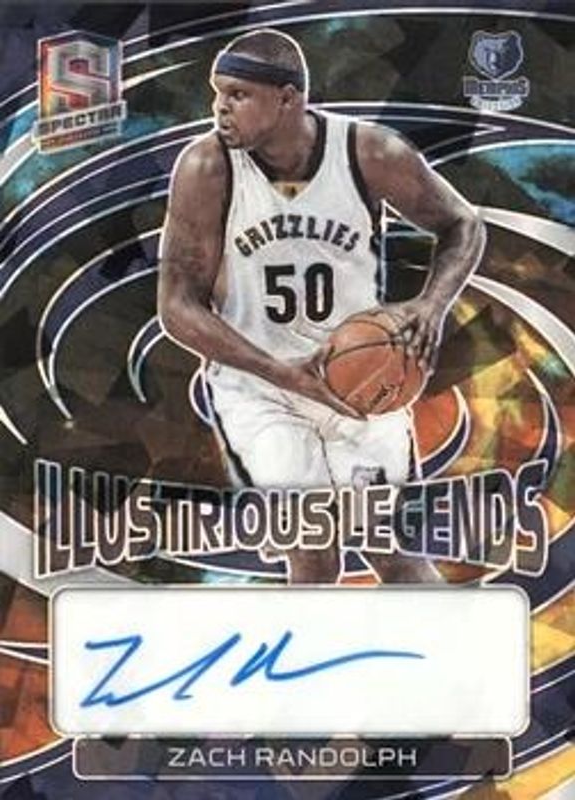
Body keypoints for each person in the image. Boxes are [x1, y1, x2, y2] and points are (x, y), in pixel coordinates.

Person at [157, 28, 486, 584]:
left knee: (390, 547)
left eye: (238, 94)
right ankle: (306, 643)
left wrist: (430, 307)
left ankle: (454, 643)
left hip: (362, 380)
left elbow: (464, 224)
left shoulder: (370, 153)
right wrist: (283, 373)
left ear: (287, 98)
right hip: (260, 389)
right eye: (218, 93)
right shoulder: (206, 169)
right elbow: (177, 307)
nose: (219, 108)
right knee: (312, 550)